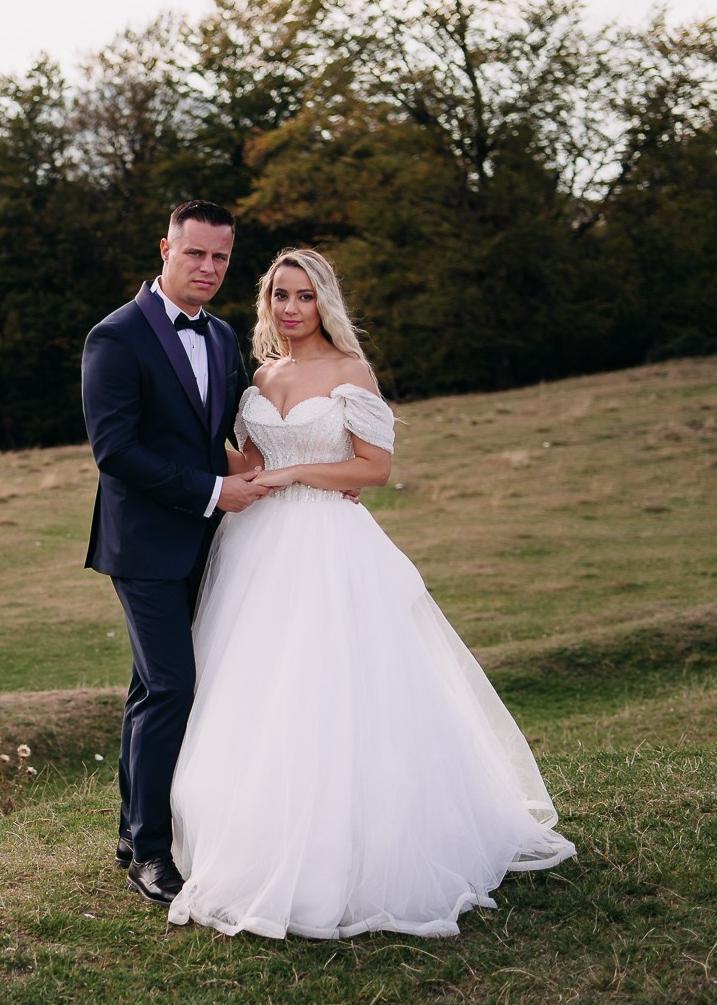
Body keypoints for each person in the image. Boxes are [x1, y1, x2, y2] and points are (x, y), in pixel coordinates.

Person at [164, 247, 575, 938]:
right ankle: (258, 829)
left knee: (339, 685)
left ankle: (362, 845)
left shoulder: (351, 371)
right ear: (266, 303)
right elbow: (254, 463)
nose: (290, 309)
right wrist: (208, 455)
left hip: (329, 543)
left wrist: (299, 476)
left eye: (302, 296)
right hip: (257, 548)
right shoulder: (261, 374)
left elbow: (374, 467)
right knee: (260, 685)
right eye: (278, 296)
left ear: (324, 301)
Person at [80, 200, 271, 906]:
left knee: (151, 687)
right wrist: (212, 490)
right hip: (144, 544)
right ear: (166, 248)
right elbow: (115, 450)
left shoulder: (221, 338)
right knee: (173, 688)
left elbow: (219, 432)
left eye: (221, 257)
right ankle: (152, 857)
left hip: (210, 541)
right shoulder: (115, 337)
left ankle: (133, 830)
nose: (210, 269)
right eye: (196, 254)